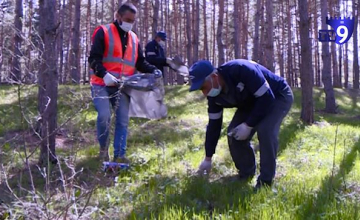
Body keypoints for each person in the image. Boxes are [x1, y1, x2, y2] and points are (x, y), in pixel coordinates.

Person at [188, 59, 293, 190]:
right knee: (234, 134)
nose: (204, 93)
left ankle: (265, 182)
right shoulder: (214, 97)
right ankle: (246, 174)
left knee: (265, 131)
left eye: (204, 87)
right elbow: (214, 125)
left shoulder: (241, 69)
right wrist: (208, 158)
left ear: (214, 77)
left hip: (277, 95)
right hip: (251, 102)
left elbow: (267, 98)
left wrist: (248, 125)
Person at [88, 3, 161, 163]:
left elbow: (140, 62)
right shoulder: (104, 32)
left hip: (123, 86)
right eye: (127, 19)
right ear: (118, 16)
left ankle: (119, 156)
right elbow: (93, 59)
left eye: (133, 20)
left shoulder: (134, 38)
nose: (130, 23)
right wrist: (104, 74)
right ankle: (103, 150)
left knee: (122, 120)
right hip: (101, 83)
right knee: (104, 116)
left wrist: (153, 70)